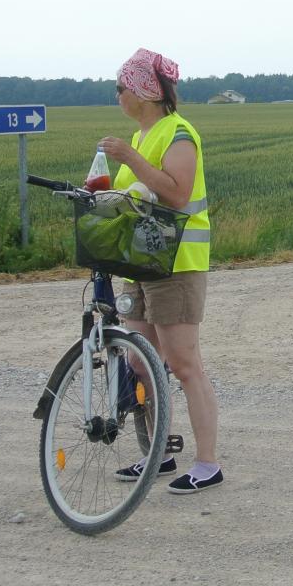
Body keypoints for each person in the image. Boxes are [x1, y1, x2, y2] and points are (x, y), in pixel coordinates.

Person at [100, 48, 222, 494]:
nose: (117, 96)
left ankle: (208, 463)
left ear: (145, 93)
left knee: (185, 363)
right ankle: (159, 453)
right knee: (139, 358)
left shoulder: (178, 133)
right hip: (143, 263)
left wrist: (129, 161)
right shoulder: (142, 136)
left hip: (177, 265)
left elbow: (176, 192)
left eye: (122, 88)